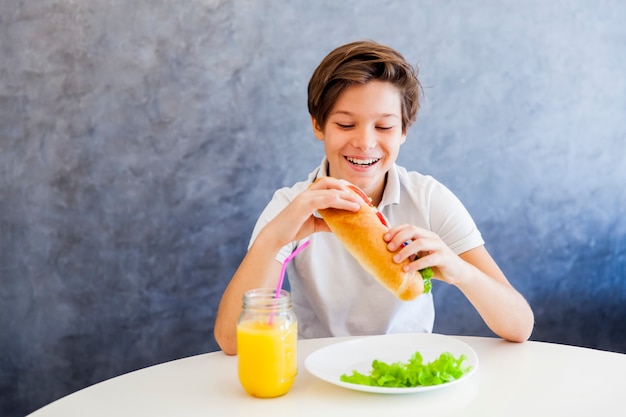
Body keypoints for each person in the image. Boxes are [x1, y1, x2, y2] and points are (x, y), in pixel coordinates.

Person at [214, 40, 534, 355]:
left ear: (403, 131)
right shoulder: (291, 206)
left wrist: (458, 269)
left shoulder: (428, 198)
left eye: (384, 126)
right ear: (318, 125)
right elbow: (231, 341)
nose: (365, 142)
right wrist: (273, 240)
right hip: (317, 378)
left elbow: (519, 327)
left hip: (408, 376)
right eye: (345, 124)